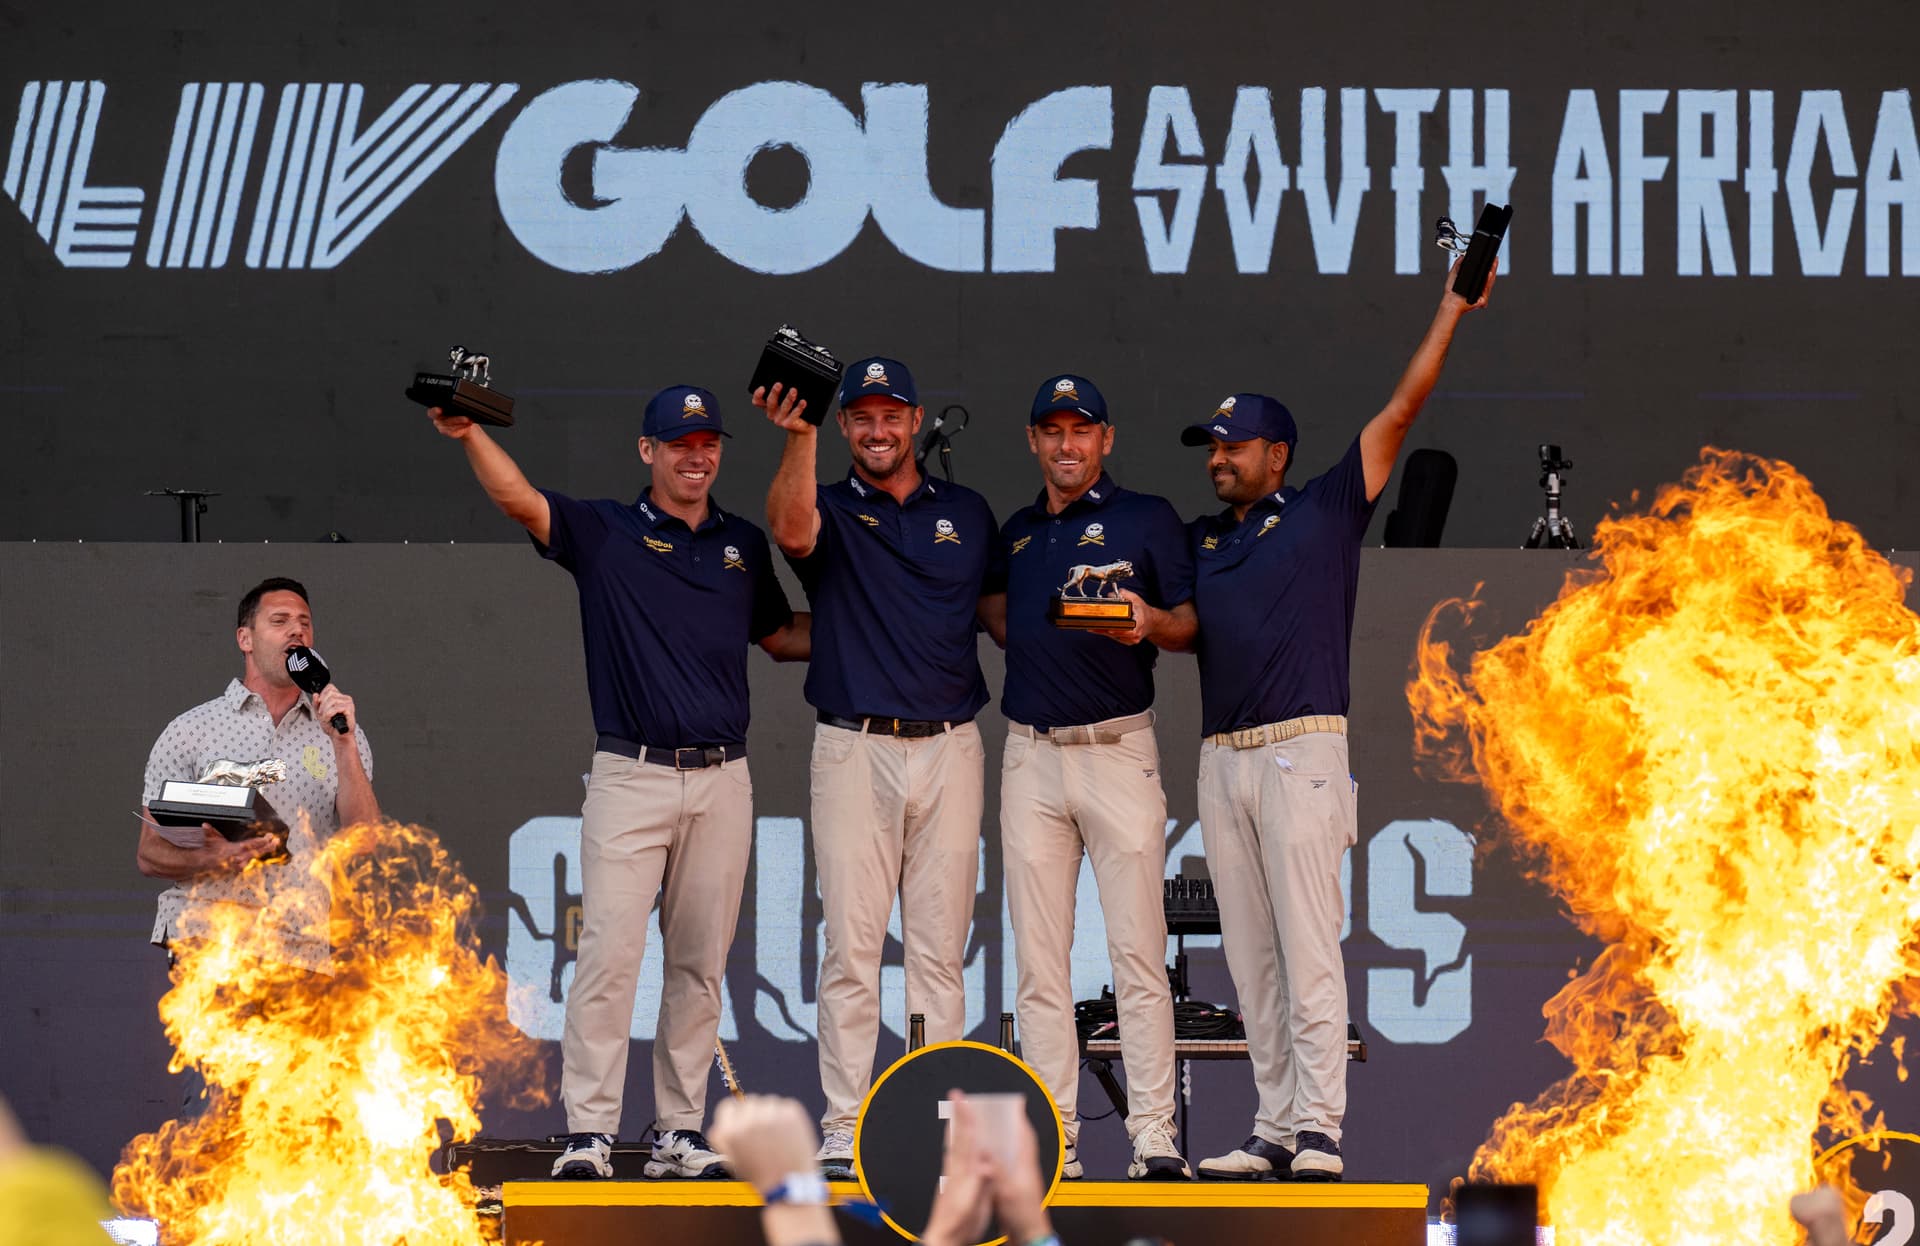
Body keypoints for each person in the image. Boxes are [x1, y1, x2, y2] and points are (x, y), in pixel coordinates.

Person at [428, 385, 807, 1180]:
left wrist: (894, 624)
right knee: (608, 958)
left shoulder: (741, 541)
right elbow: (521, 501)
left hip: (722, 776)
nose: (695, 455)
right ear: (648, 451)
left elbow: (779, 637)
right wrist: (468, 435)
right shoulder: (607, 531)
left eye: (707, 442)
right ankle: (590, 1132)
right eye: (678, 443)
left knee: (701, 964)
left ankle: (679, 1130)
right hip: (630, 773)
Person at [1184, 258, 1495, 1182]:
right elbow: (1180, 629)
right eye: (1213, 444)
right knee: (1251, 960)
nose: (1219, 457)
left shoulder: (1324, 506)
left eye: (1234, 445)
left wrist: (1452, 307)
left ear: (1276, 454)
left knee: (1309, 944)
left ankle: (1321, 1128)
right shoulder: (1204, 540)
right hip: (1221, 757)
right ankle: (1274, 1128)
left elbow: (1403, 407)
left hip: (1301, 751)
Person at [760, 359, 1001, 1176]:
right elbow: (790, 534)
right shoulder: (825, 503)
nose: (877, 430)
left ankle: (936, 1121)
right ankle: (845, 1122)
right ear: (843, 429)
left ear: (914, 418)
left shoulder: (966, 513)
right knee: (853, 948)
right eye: (860, 418)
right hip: (855, 745)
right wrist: (798, 438)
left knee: (939, 951)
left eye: (890, 416)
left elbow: (1003, 616)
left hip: (950, 745)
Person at [975, 374, 1194, 1180]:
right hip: (1031, 753)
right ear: (1033, 441)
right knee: (1039, 959)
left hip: (1118, 749)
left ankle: (1152, 1134)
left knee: (1139, 952)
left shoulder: (1146, 518)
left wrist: (1150, 623)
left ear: (1106, 439)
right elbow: (999, 617)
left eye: (1082, 431)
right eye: (1052, 431)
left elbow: (1187, 622)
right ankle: (1054, 1134)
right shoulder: (1019, 531)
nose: (1067, 445)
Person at [137, 577, 379, 974]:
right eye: (280, 621)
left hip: (298, 944)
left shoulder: (339, 731)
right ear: (245, 639)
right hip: (212, 938)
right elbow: (149, 854)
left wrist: (344, 742)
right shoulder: (191, 730)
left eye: (304, 622)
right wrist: (214, 856)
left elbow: (365, 839)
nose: (297, 630)